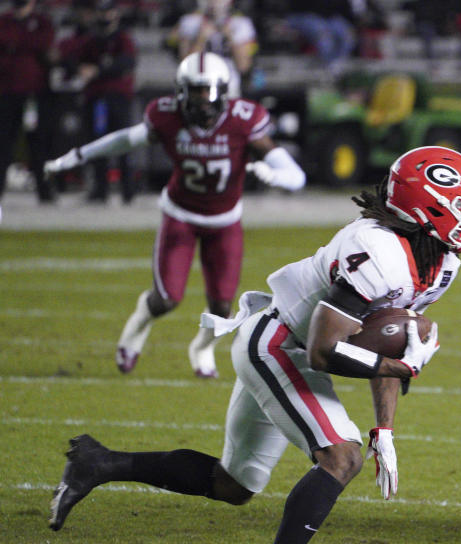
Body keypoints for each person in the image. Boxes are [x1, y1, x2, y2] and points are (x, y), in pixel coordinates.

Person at [48, 145, 461, 544]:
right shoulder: (378, 249)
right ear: (429, 207)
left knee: (233, 485)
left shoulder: (441, 262)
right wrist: (398, 368)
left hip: (290, 346)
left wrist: (385, 427)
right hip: (279, 343)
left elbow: (391, 339)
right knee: (341, 457)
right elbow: (324, 350)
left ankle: (99, 464)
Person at [44, 51, 305, 378]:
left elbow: (295, 175)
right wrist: (77, 155)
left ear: (224, 91)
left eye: (207, 90)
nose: (201, 101)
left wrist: (279, 175)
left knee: (222, 306)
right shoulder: (166, 115)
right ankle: (137, 327)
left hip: (224, 221)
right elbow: (125, 140)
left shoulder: (244, 119)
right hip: (180, 214)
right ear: (180, 91)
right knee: (167, 297)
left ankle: (202, 347)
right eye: (194, 91)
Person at [72, 0, 138, 203]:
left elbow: (126, 63)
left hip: (117, 98)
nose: (105, 16)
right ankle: (100, 189)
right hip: (96, 99)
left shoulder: (122, 38)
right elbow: (77, 60)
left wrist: (99, 70)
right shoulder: (92, 39)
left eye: (108, 12)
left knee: (123, 142)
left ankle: (127, 189)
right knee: (97, 144)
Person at [0, 0, 56, 203]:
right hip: (6, 92)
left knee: (38, 143)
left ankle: (44, 191)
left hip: (34, 93)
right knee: (3, 143)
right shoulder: (5, 20)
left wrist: (14, 45)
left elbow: (44, 42)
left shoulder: (41, 22)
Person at [172, 0, 257, 97]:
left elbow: (243, 66)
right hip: (197, 86)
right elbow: (185, 64)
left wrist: (230, 38)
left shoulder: (241, 23)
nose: (214, 2)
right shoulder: (189, 21)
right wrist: (201, 38)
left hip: (229, 85)